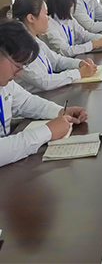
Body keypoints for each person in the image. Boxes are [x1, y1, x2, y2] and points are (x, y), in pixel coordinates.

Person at [0, 19, 87, 167]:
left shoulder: (5, 83)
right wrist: (47, 132)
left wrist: (60, 111)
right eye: (18, 66)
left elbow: (26, 102)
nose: (19, 74)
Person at [0, 0, 98, 94]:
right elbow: (44, 81)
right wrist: (78, 73)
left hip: (48, 94)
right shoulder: (19, 46)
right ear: (31, 18)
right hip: (39, 96)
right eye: (46, 14)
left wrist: (79, 63)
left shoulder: (35, 39)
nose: (48, 18)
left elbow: (56, 61)